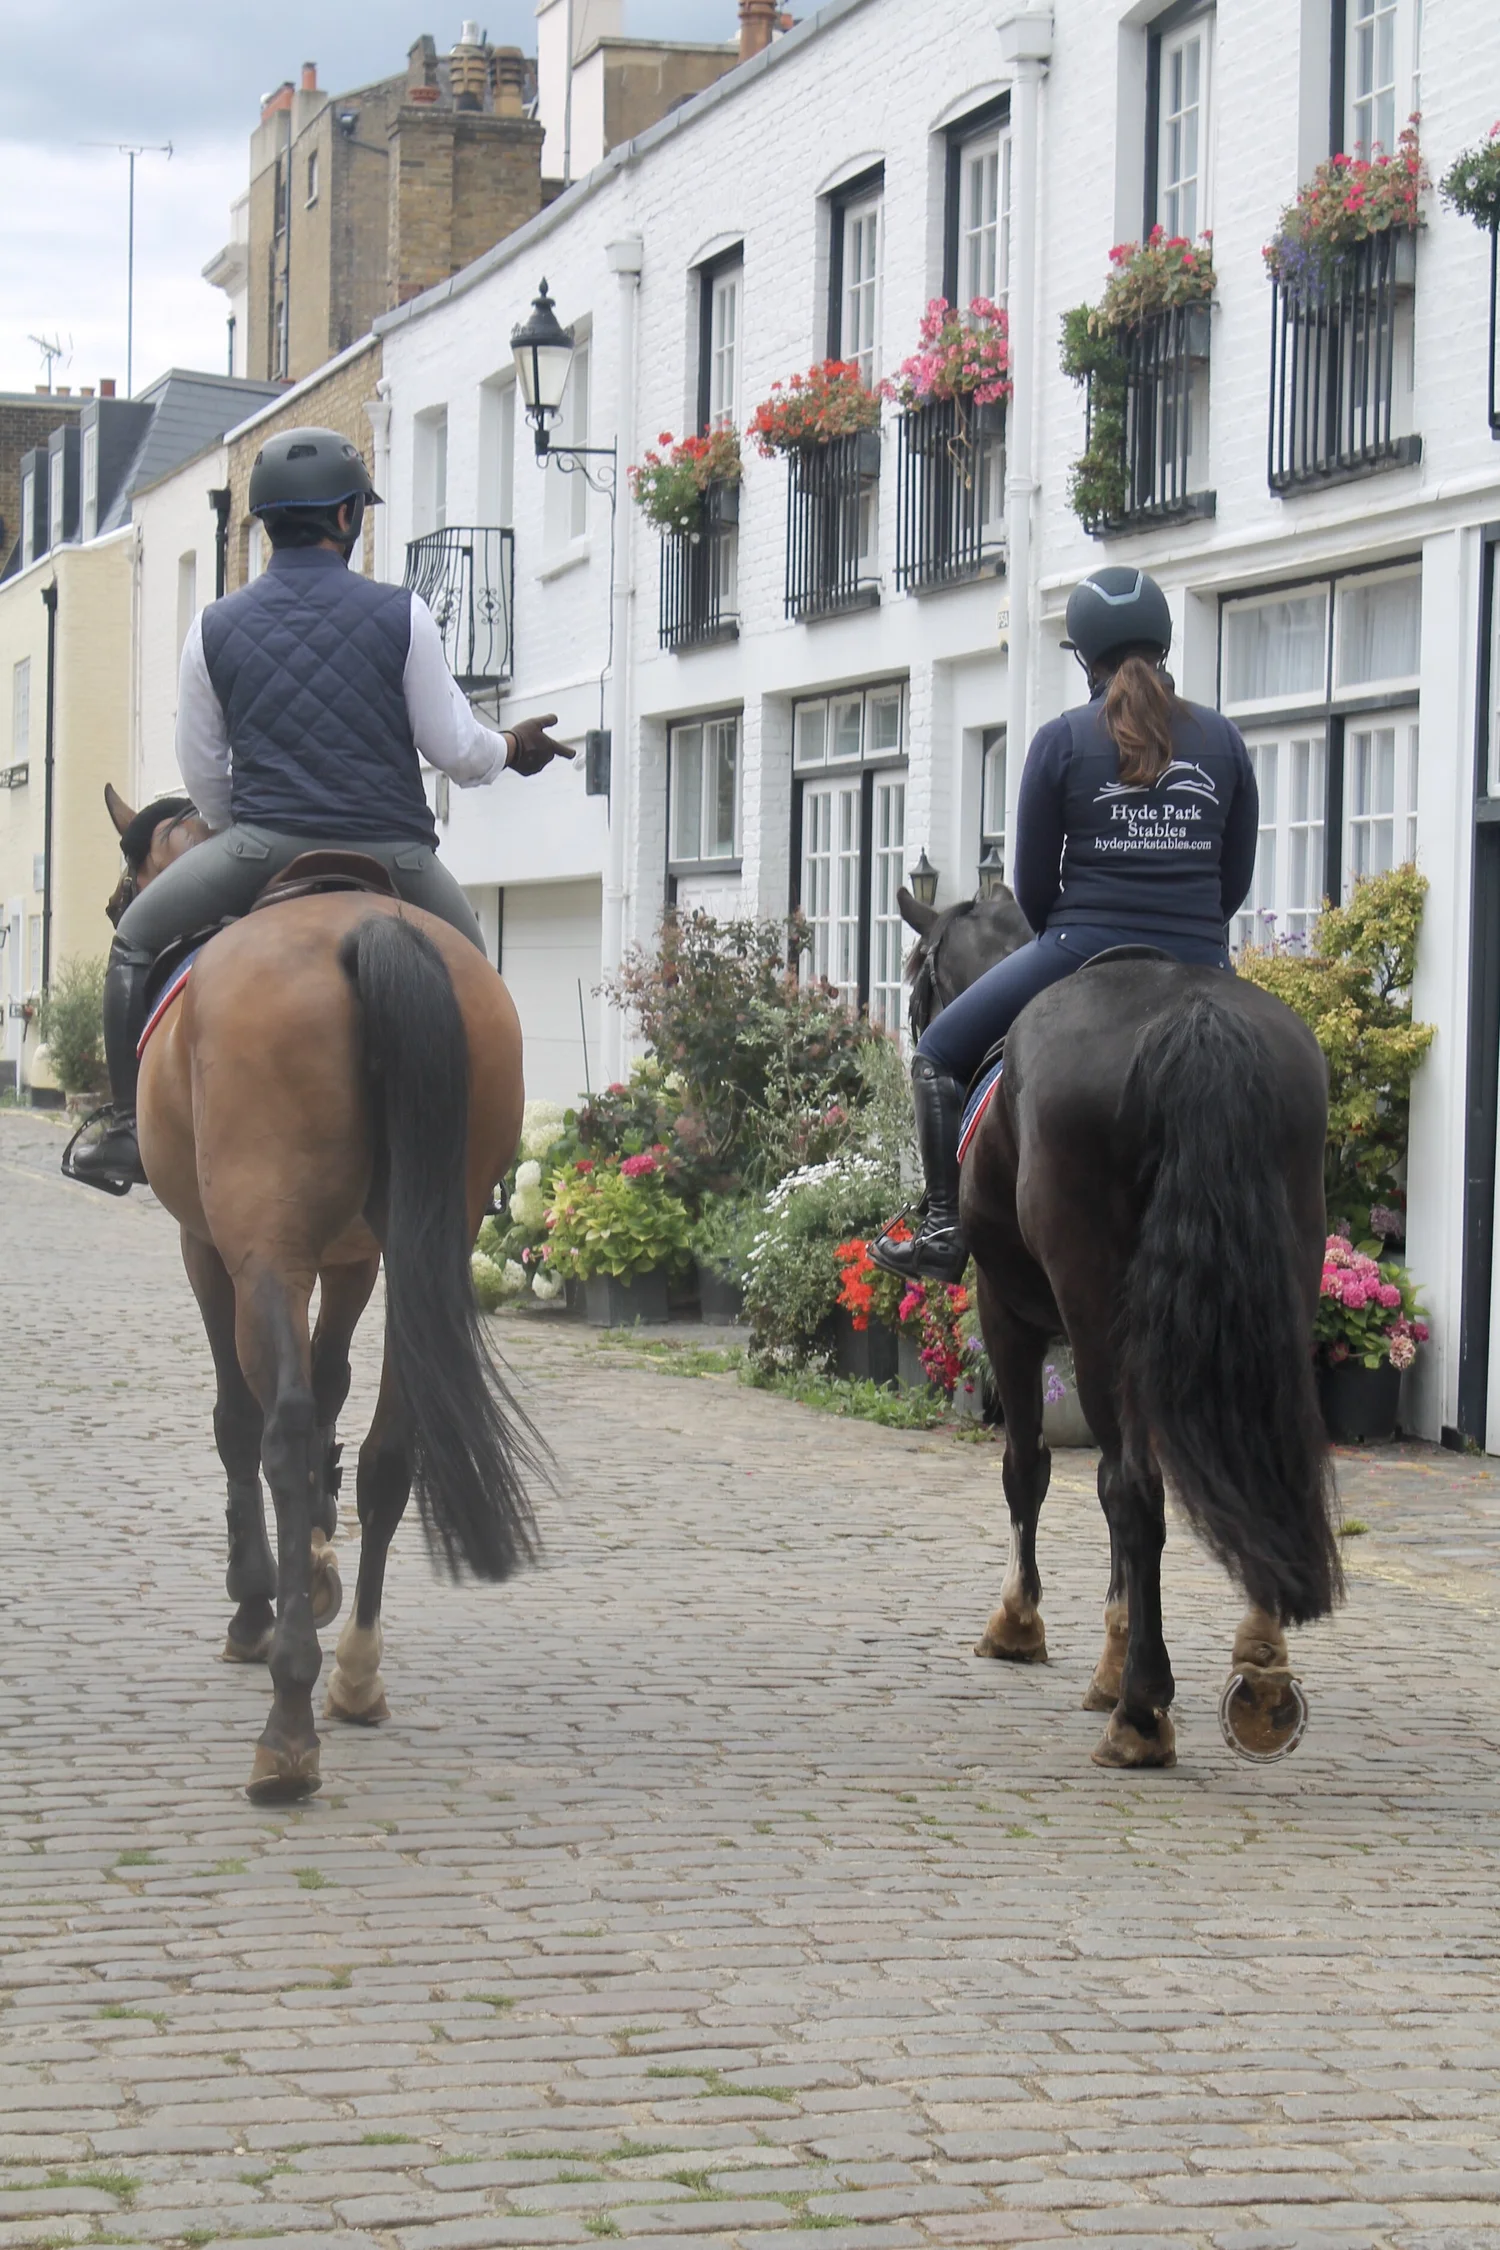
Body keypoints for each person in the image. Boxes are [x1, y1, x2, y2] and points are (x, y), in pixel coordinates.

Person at [70, 426, 574, 1192]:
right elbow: (456, 750)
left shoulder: (213, 626)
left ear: (267, 523)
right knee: (477, 982)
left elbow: (201, 770)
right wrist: (512, 746)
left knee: (135, 941)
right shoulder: (401, 614)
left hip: (262, 843)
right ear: (347, 518)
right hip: (398, 856)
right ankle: (486, 1157)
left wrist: (244, 829)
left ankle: (126, 1129)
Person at [872, 565, 1258, 1285]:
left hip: (1078, 945)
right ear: (1163, 642)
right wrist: (1194, 935)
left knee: (936, 1054)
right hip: (1201, 954)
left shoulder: (1061, 740)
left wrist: (1066, 942)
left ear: (1083, 654)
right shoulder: (1224, 740)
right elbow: (1234, 880)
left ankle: (942, 1226)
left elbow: (1033, 886)